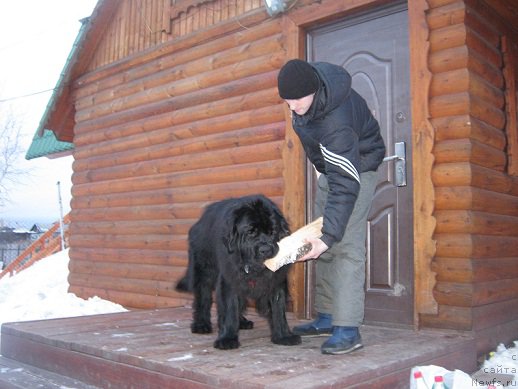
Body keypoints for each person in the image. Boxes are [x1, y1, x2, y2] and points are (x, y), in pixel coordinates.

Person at [277, 59, 386, 355]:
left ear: (313, 91)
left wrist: (328, 238)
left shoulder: (335, 119)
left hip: (358, 169)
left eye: (297, 100)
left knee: (345, 243)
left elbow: (346, 183)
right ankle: (326, 316)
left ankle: (349, 329)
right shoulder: (305, 100)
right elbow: (320, 147)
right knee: (321, 241)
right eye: (287, 102)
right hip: (333, 169)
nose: (293, 107)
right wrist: (320, 169)